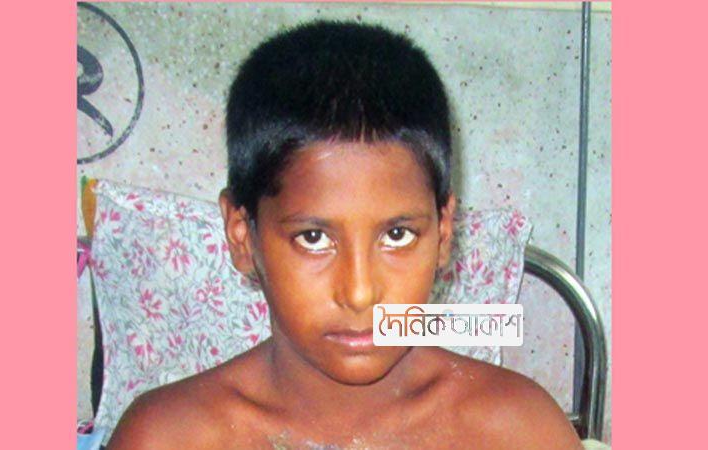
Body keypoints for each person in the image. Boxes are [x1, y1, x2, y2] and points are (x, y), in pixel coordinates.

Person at [107, 20, 582, 449]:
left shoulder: (517, 431)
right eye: (314, 238)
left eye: (398, 235)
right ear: (242, 236)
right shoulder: (170, 438)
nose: (359, 293)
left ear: (443, 233)